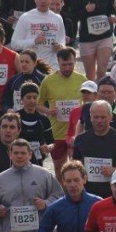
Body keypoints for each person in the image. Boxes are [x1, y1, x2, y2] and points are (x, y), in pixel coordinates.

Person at [72, 100, 116, 198]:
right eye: (96, 117)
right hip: (87, 195)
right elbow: (75, 166)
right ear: (90, 118)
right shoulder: (80, 140)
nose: (99, 121)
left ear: (110, 117)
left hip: (111, 196)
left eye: (103, 117)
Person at [37, 47, 86, 182]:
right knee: (59, 167)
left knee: (77, 168)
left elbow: (89, 103)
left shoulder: (81, 79)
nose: (67, 68)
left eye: (70, 64)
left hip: (77, 132)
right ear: (57, 62)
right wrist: (48, 111)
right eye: (64, 64)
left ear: (74, 61)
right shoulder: (48, 81)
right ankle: (62, 195)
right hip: (56, 131)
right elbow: (38, 104)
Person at [73, 0, 116, 81]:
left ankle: (102, 96)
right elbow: (73, 16)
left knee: (102, 71)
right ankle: (92, 97)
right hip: (87, 39)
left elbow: (112, 13)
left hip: (104, 37)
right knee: (90, 76)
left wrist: (112, 18)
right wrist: (85, 10)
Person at [10, 0, 66, 68]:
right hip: (33, 65)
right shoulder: (26, 17)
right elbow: (14, 44)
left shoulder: (57, 18)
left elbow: (62, 41)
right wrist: (34, 41)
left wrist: (59, 47)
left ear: (50, 0)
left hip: (53, 65)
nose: (43, 1)